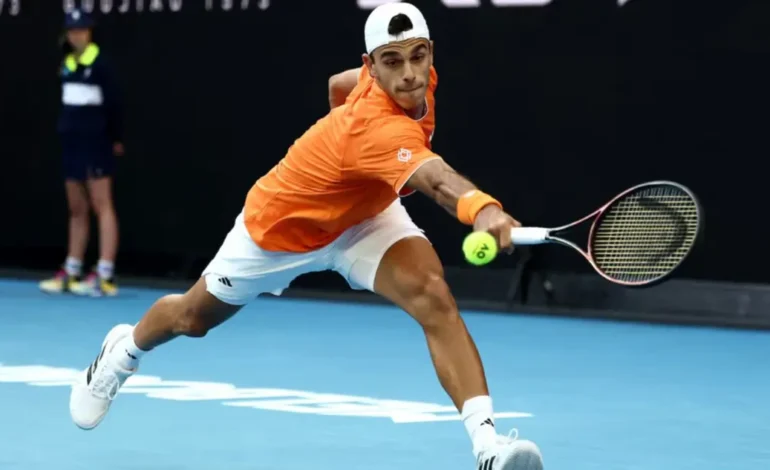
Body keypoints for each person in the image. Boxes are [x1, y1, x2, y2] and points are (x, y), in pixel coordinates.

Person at [68, 3, 544, 469]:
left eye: (417, 56)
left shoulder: (412, 80)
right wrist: (483, 209)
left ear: (430, 52)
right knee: (192, 318)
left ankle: (488, 448)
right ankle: (121, 353)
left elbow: (338, 85)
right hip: (281, 230)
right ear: (371, 65)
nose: (409, 74)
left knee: (433, 295)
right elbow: (437, 182)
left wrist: (351, 175)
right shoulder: (376, 127)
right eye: (392, 62)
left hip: (363, 220)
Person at [39, 9, 123, 297]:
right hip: (71, 145)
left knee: (102, 204)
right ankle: (72, 269)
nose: (77, 36)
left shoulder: (101, 65)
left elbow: (115, 106)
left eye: (82, 30)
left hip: (96, 144)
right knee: (76, 207)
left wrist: (115, 138)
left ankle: (105, 274)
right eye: (72, 31)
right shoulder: (66, 64)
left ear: (90, 33)